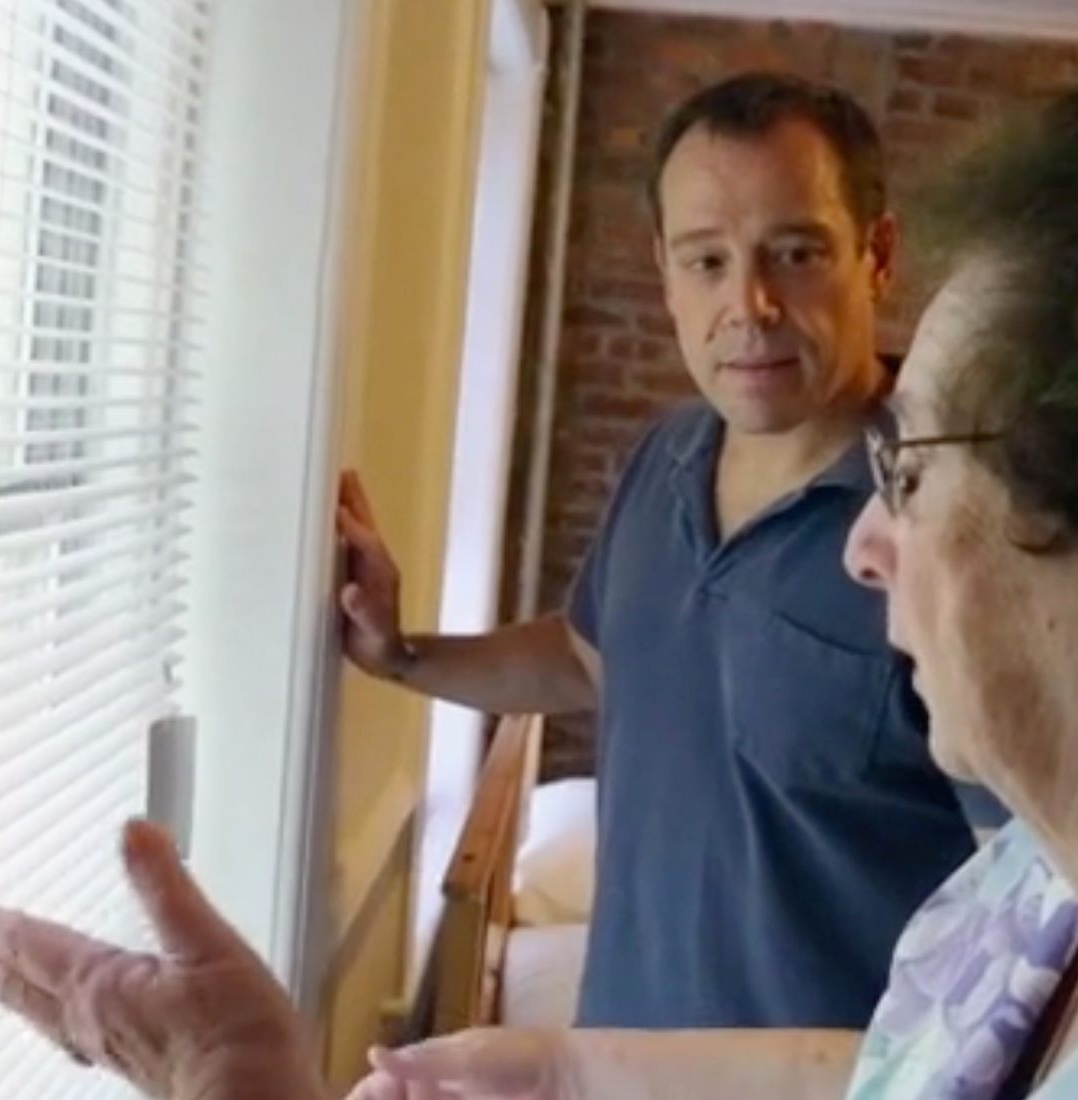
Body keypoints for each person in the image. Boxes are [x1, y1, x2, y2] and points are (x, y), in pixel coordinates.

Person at [0, 75, 1078, 1099]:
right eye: (701, 260)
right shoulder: (1048, 888)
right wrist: (575, 1068)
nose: (875, 549)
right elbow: (887, 1052)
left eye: (918, 469)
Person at [336, 71, 1001, 1039]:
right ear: (662, 270)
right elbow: (586, 656)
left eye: (796, 252)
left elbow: (1039, 889)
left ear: (877, 254)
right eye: (705, 261)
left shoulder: (951, 523)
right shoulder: (663, 458)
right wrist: (401, 653)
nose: (750, 304)